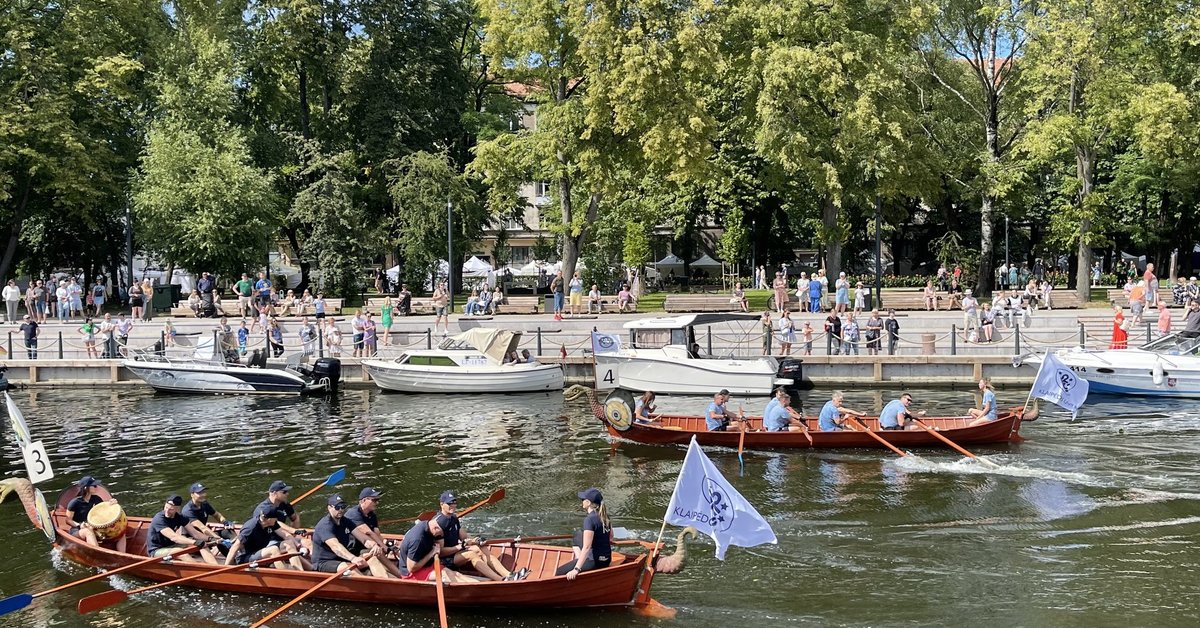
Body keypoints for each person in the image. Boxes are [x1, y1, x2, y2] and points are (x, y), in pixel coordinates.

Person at [435, 490, 523, 581]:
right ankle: (501, 579)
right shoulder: (439, 523)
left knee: (481, 548)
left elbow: (465, 538)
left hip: (455, 553)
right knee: (471, 554)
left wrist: (476, 540)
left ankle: (509, 574)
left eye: (454, 502)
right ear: (442, 504)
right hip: (443, 560)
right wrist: (459, 547)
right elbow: (440, 552)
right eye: (449, 503)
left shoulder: (454, 518)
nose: (453, 505)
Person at [341, 487, 405, 578]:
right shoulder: (353, 514)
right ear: (363, 500)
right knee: (375, 556)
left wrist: (386, 546)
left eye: (377, 500)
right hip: (353, 550)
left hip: (366, 547)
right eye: (374, 500)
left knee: (381, 553)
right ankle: (386, 580)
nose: (377, 503)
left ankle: (401, 576)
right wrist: (384, 548)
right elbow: (368, 532)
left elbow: (377, 533)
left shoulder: (372, 515)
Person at [311, 494, 377, 576]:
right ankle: (367, 585)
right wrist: (353, 558)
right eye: (337, 507)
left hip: (341, 558)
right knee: (348, 567)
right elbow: (336, 547)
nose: (341, 510)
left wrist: (374, 545)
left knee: (372, 558)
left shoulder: (345, 521)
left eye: (343, 506)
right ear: (329, 508)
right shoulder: (325, 525)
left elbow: (363, 538)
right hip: (324, 562)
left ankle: (386, 580)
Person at [397, 514, 476, 582]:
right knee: (448, 576)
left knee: (456, 574)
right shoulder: (417, 540)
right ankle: (476, 590)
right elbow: (412, 568)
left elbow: (439, 548)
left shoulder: (428, 525)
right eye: (441, 534)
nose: (441, 536)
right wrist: (432, 553)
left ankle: (480, 586)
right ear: (436, 528)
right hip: (411, 574)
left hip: (426, 565)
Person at [555, 488, 613, 579]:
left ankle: (580, 563)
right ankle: (580, 559)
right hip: (606, 559)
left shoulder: (589, 520)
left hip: (594, 561)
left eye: (583, 500)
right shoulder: (605, 516)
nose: (581, 501)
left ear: (588, 503)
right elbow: (611, 537)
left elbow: (587, 547)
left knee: (559, 572)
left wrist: (577, 569)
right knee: (577, 534)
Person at [225, 508, 305, 570]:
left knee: (289, 543)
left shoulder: (272, 523)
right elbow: (235, 547)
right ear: (268, 519)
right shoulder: (250, 528)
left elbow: (283, 534)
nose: (277, 520)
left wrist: (297, 544)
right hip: (246, 557)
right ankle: (285, 576)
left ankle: (300, 572)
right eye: (275, 518)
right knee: (273, 549)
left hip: (261, 551)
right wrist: (226, 567)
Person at [148, 495, 219, 564]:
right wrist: (194, 542)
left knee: (203, 545)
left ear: (177, 509)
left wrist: (210, 539)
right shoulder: (159, 519)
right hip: (156, 550)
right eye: (166, 507)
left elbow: (195, 533)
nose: (167, 511)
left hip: (173, 546)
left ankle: (215, 566)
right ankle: (200, 570)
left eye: (171, 509)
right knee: (179, 551)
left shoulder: (180, 517)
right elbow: (174, 537)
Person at [66, 476, 127, 552]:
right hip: (78, 530)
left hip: (94, 528)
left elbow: (104, 511)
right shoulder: (75, 502)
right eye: (94, 486)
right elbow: (68, 520)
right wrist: (79, 525)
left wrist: (111, 503)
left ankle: (122, 556)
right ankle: (98, 553)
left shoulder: (96, 499)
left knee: (120, 532)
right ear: (86, 488)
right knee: (88, 531)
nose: (96, 487)